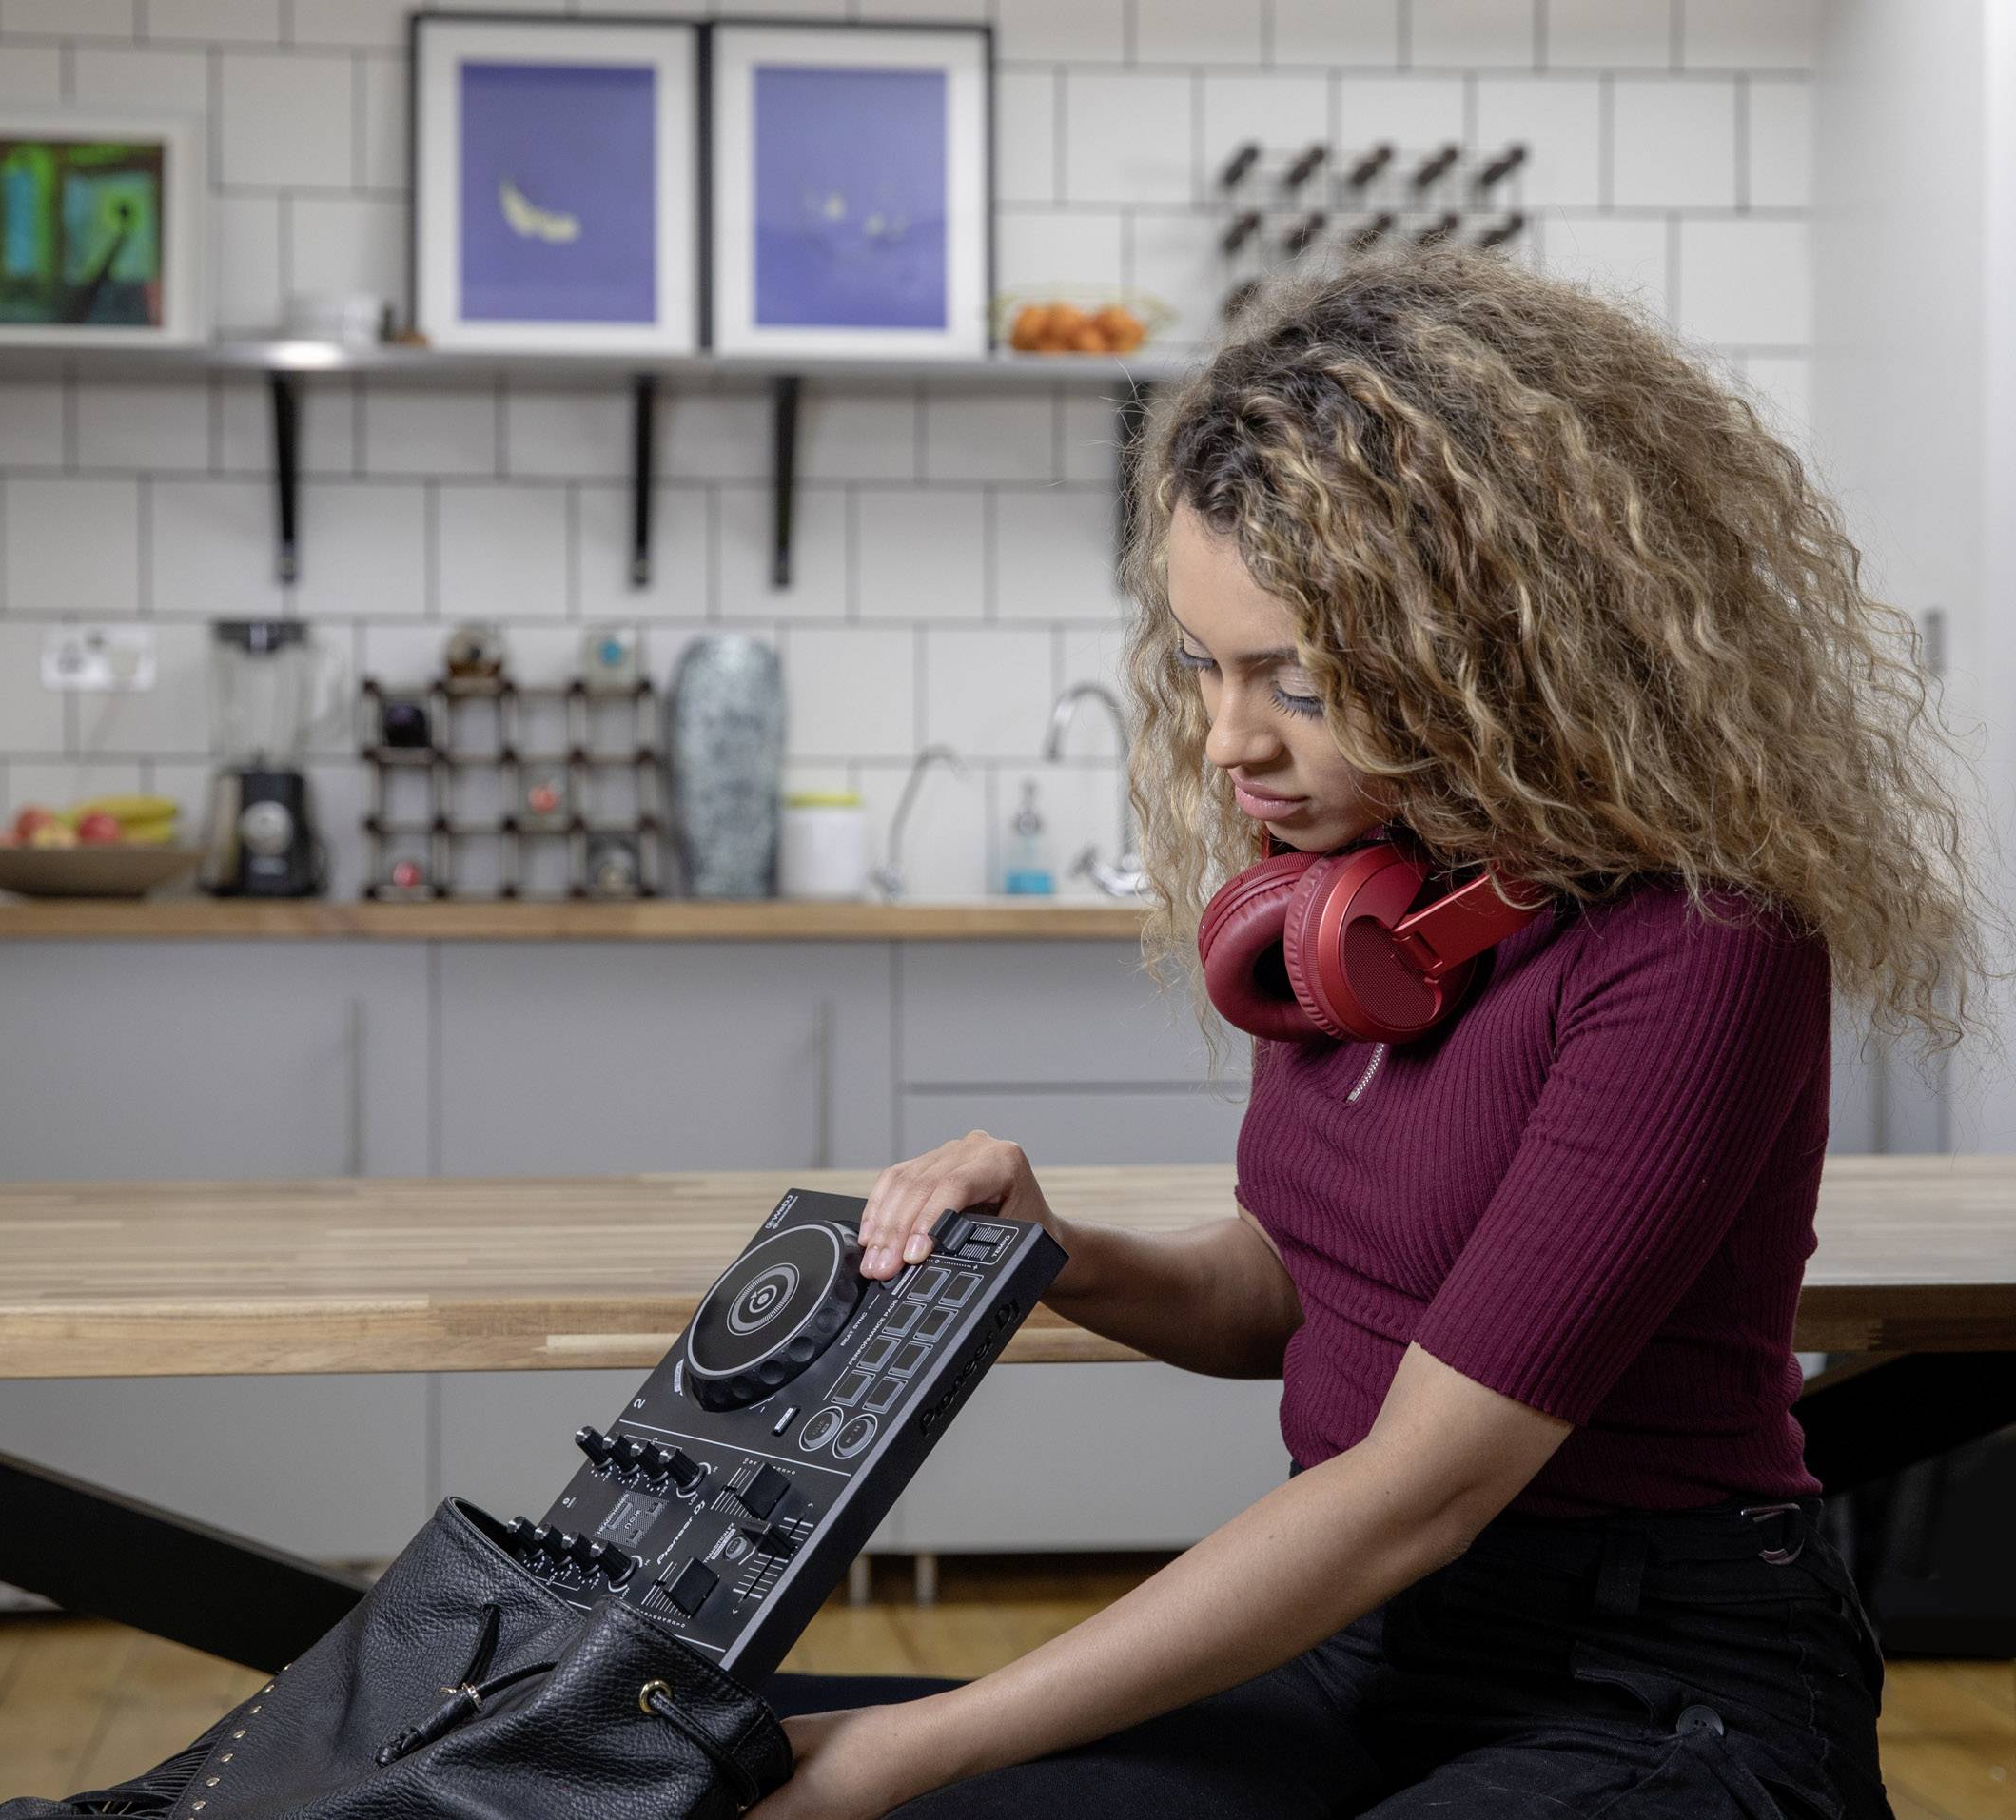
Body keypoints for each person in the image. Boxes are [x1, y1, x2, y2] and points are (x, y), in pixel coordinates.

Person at [749, 243, 1988, 1819]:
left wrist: (905, 1741)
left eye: (1298, 681)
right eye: (1202, 668)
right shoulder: (1347, 906)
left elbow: (1423, 1481)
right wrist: (1057, 1247)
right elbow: (1301, 1290)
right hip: (1373, 1650)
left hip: (1660, 1690)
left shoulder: (1702, 942)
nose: (1226, 742)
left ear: (1494, 651)